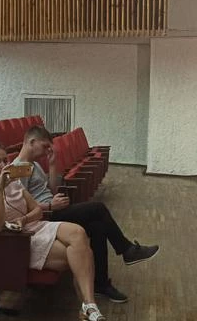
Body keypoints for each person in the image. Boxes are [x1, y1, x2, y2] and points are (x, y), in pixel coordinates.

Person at [0, 141, 116, 321]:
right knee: (79, 254)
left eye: (5, 160)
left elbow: (37, 210)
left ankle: (89, 306)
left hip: (32, 226)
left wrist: (24, 219)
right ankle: (88, 315)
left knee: (78, 233)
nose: (4, 165)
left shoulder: (15, 182)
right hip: (14, 241)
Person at [12, 125, 159, 303]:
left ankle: (101, 284)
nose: (46, 151)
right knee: (98, 208)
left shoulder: (34, 165)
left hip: (54, 208)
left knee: (98, 227)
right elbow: (21, 207)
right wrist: (50, 205)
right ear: (31, 142)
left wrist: (52, 165)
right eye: (44, 146)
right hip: (44, 218)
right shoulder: (17, 169)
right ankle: (127, 250)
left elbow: (51, 190)